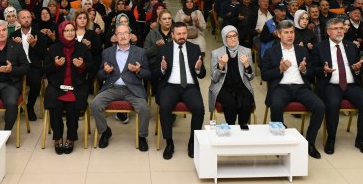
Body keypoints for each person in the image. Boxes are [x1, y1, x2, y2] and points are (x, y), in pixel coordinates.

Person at [262, 19, 325, 159]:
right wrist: (280, 69)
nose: (290, 35)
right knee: (276, 105)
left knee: (320, 106)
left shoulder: (302, 50)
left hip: (301, 87)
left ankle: (309, 142)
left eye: (292, 32)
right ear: (279, 34)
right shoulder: (271, 52)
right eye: (286, 32)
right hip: (281, 87)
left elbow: (311, 73)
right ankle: (280, 141)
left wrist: (304, 70)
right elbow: (265, 75)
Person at [310, 17, 363, 155]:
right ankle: (331, 138)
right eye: (336, 28)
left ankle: (360, 139)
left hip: (351, 85)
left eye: (341, 28)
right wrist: (323, 70)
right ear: (328, 31)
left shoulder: (351, 46)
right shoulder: (319, 47)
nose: (340, 31)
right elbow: (312, 69)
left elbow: (357, 67)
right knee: (333, 103)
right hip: (330, 84)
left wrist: (357, 69)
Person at [91, 22, 151, 151]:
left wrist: (138, 70)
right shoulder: (107, 52)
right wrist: (105, 72)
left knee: (144, 108)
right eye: (120, 33)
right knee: (95, 104)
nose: (123, 36)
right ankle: (105, 131)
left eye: (125, 33)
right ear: (115, 36)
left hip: (132, 89)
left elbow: (147, 74)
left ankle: (142, 136)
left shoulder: (140, 52)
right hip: (112, 88)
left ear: (130, 35)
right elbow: (100, 75)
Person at [157, 21, 206, 160]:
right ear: (172, 35)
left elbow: (202, 74)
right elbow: (155, 73)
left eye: (184, 33)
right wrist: (162, 69)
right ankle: (169, 143)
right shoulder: (164, 49)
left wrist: (198, 68)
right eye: (178, 34)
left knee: (199, 108)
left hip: (189, 86)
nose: (182, 36)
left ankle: (192, 142)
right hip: (170, 85)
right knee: (164, 106)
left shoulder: (195, 48)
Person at [44, 21, 92, 154]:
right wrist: (55, 65)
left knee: (73, 105)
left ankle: (71, 138)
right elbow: (46, 69)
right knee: (55, 103)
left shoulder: (82, 48)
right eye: (66, 30)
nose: (70, 33)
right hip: (57, 85)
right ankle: (57, 137)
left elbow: (92, 67)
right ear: (61, 32)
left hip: (77, 85)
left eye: (72, 30)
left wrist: (82, 65)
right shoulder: (53, 49)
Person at [208, 25, 255, 129]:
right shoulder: (216, 53)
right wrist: (221, 65)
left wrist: (247, 65)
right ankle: (231, 128)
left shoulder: (246, 51)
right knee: (230, 104)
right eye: (229, 37)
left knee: (246, 103)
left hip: (242, 86)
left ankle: (243, 127)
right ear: (224, 38)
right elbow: (214, 78)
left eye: (235, 35)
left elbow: (251, 77)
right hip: (223, 87)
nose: (233, 39)